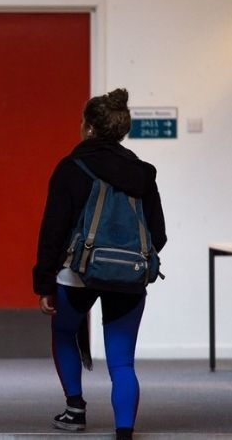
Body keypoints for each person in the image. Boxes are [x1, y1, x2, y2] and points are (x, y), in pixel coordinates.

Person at [32, 88, 167, 440]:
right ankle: (124, 431)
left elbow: (53, 231)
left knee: (64, 334)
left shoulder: (70, 169)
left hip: (76, 274)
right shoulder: (143, 173)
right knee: (122, 361)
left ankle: (75, 410)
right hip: (129, 277)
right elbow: (158, 234)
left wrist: (44, 282)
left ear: (89, 127)